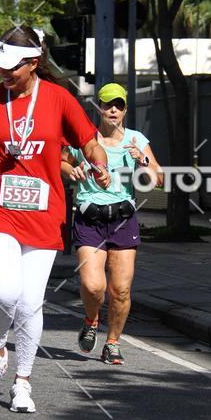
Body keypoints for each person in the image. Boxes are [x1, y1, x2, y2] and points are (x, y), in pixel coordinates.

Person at [0, 26, 110, 413]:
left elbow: (90, 142)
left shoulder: (60, 99)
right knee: (5, 290)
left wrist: (98, 163)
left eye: (12, 67)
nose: (4, 73)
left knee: (29, 303)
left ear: (34, 63)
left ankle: (23, 381)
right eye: (1, 66)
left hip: (44, 213)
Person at [62, 83, 162, 365]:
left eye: (118, 105)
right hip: (89, 218)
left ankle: (113, 343)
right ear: (99, 109)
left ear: (125, 109)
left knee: (120, 290)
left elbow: (158, 179)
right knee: (93, 286)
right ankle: (91, 320)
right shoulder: (85, 138)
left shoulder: (136, 140)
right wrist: (72, 169)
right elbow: (60, 161)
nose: (113, 110)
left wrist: (141, 161)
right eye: (107, 105)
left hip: (122, 220)